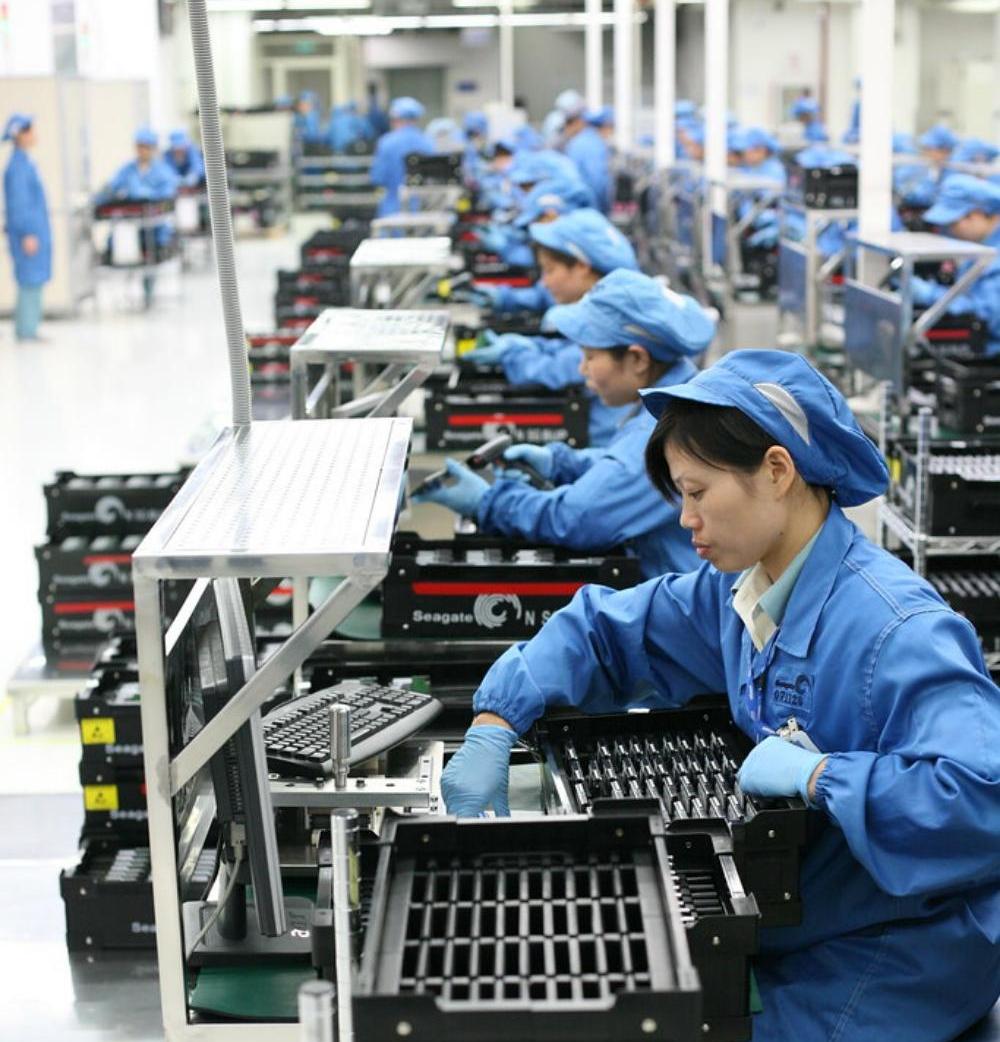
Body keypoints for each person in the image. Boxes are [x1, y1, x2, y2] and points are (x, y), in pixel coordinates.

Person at [440, 348, 1000, 1042]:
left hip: (902, 951)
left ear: (776, 469)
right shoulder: (744, 594)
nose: (684, 520)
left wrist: (825, 776)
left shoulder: (895, 629)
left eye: (698, 492)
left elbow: (981, 796)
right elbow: (608, 631)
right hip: (799, 922)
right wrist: (496, 718)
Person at [414, 269, 715, 578]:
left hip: (675, 612)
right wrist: (562, 463)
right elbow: (624, 469)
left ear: (637, 359)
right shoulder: (680, 400)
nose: (581, 369)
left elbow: (575, 519)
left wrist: (488, 503)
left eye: (589, 357)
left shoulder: (667, 433)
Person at [466, 206, 642, 446]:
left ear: (581, 266)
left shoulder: (614, 317)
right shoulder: (608, 300)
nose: (544, 282)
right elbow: (569, 348)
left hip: (601, 438)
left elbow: (562, 367)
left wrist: (514, 355)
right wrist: (528, 344)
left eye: (549, 271)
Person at [911, 174, 1000, 356]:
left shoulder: (994, 257)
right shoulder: (982, 247)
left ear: (975, 214)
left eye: (953, 223)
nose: (950, 230)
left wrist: (932, 295)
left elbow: (990, 318)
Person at [100, 127, 178, 307]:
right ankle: (125, 293)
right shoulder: (127, 169)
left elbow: (167, 193)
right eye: (139, 146)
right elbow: (113, 186)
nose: (142, 150)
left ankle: (148, 294)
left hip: (154, 227)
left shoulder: (162, 171)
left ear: (152, 148)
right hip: (130, 224)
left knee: (150, 254)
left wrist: (148, 194)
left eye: (146, 146)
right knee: (117, 245)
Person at [3, 113, 51, 342]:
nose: (34, 134)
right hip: (27, 233)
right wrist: (28, 233)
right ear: (20, 135)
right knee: (29, 279)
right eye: (30, 130)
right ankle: (26, 331)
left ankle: (28, 329)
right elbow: (19, 205)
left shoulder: (25, 162)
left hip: (32, 231)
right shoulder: (18, 167)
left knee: (33, 278)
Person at [369, 96, 433, 217]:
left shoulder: (386, 142)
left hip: (393, 208)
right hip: (422, 209)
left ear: (395, 119)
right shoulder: (428, 143)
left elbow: (377, 178)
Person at [558, 92, 612, 214]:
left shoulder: (576, 142)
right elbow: (598, 182)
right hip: (588, 208)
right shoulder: (594, 144)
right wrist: (603, 211)